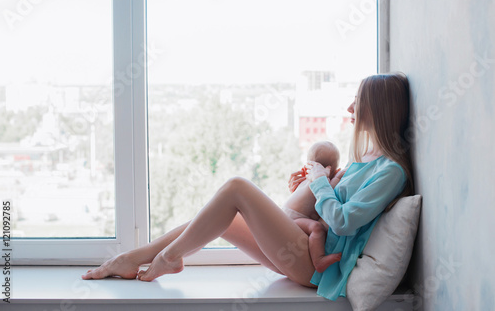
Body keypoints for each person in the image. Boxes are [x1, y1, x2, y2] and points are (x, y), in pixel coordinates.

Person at [82, 72, 414, 301]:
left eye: (358, 101)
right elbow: (332, 205)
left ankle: (169, 257)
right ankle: (131, 259)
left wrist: (321, 184)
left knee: (236, 187)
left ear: (380, 109)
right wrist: (312, 187)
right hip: (304, 250)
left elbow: (343, 221)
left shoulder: (391, 171)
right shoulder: (368, 158)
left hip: (317, 264)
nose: (350, 109)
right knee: (218, 217)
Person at [282, 140, 344, 273]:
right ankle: (319, 260)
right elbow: (329, 191)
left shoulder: (304, 180)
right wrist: (339, 175)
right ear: (334, 170)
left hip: (284, 217)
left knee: (315, 226)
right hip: (292, 220)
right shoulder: (321, 179)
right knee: (317, 228)